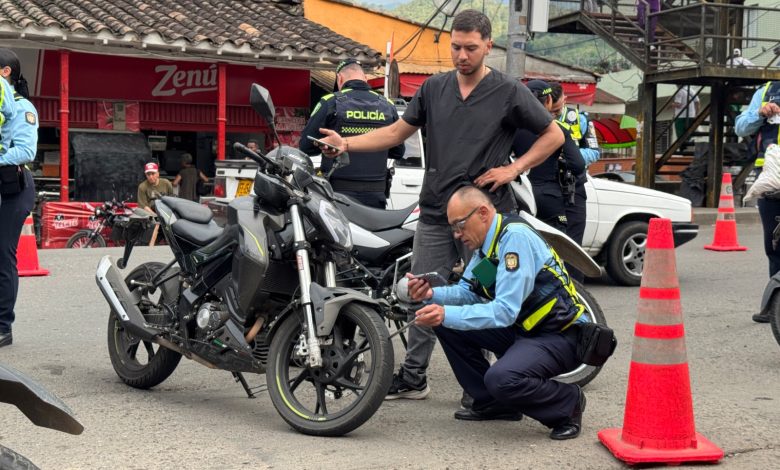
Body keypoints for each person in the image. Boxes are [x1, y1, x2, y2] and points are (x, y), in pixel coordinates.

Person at [315, 9, 564, 400]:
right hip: (434, 211)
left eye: (470, 48)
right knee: (422, 290)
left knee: (483, 294)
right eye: (455, 47)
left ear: (488, 46)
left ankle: (480, 382)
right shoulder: (434, 88)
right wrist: (347, 143)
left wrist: (513, 169)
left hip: (483, 215)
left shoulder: (508, 90)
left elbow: (553, 135)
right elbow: (398, 130)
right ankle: (414, 375)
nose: (461, 55)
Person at [406, 186, 586, 440]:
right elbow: (469, 292)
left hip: (561, 335)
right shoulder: (486, 249)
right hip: (528, 330)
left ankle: (567, 403)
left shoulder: (514, 239)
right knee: (447, 322)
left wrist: (445, 313)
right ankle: (494, 403)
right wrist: (430, 295)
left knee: (502, 377)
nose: (456, 235)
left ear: (482, 213)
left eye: (459, 225)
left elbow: (504, 311)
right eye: (452, 228)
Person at [300, 59, 404, 209]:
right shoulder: (388, 105)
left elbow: (305, 146)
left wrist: (328, 146)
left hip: (337, 196)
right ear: (365, 79)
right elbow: (398, 152)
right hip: (375, 197)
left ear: (340, 79)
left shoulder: (330, 101)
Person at [513, 81, 587, 282]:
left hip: (522, 197)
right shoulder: (558, 129)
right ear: (548, 100)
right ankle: (570, 303)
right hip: (551, 198)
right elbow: (578, 164)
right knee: (561, 255)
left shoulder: (513, 128)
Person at [0, 48, 38, 348]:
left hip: (14, 187)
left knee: (3, 254)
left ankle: (3, 327)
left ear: (5, 72)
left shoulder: (24, 107)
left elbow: (25, 152)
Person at [736, 80, 780, 323]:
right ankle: (775, 306)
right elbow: (741, 127)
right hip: (772, 179)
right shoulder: (765, 91)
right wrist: (759, 113)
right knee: (774, 246)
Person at [557, 94, 600, 167]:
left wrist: (568, 155)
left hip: (573, 174)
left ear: (564, 99)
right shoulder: (536, 118)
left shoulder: (581, 119)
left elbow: (594, 153)